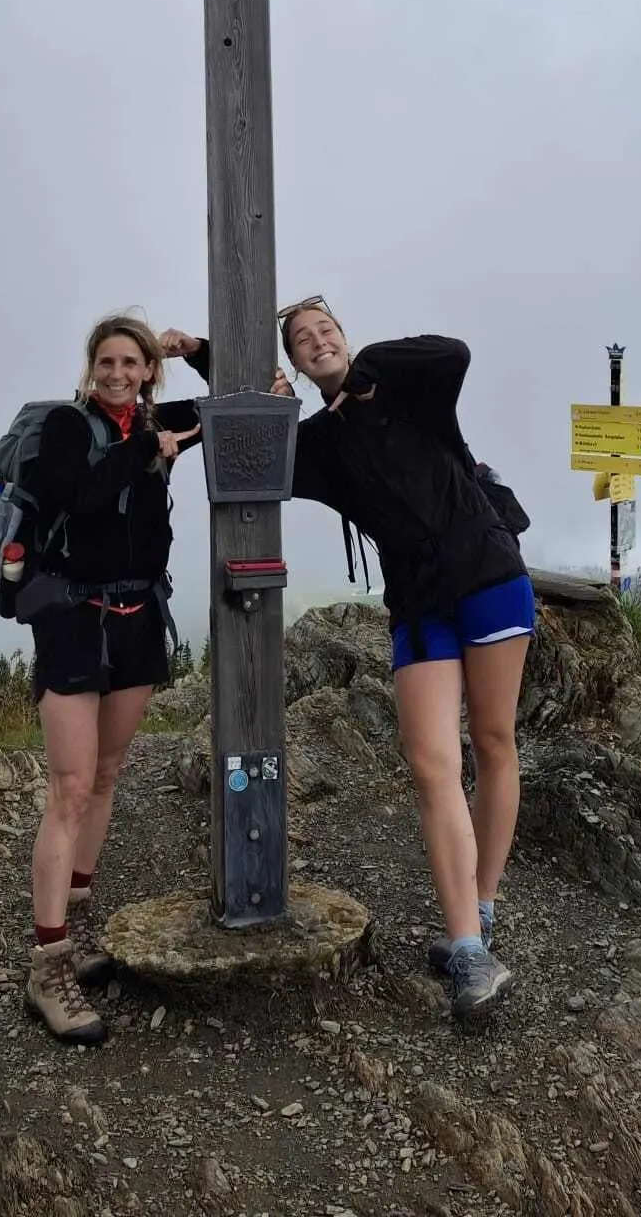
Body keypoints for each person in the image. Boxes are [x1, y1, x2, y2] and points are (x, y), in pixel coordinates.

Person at [161, 305, 532, 1020]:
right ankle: (468, 950)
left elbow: (452, 350)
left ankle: (481, 908)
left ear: (345, 337)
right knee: (431, 763)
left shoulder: (410, 390)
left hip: (488, 572)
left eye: (325, 329)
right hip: (419, 603)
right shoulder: (320, 445)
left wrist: (368, 372)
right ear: (295, 366)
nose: (318, 341)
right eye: (303, 340)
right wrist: (207, 355)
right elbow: (248, 439)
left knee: (493, 742)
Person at [2, 313, 200, 1044]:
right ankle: (48, 964)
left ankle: (77, 924)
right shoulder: (66, 426)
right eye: (106, 362)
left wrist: (197, 349)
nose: (117, 373)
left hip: (138, 617)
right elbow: (81, 496)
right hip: (73, 619)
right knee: (71, 786)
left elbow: (237, 402)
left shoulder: (158, 424)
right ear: (91, 368)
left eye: (131, 363)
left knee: (108, 774)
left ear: (149, 371)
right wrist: (146, 449)